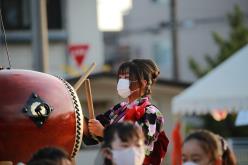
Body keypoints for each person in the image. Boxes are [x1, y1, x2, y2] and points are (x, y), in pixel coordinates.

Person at [83, 59, 169, 165]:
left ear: (143, 83)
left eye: (127, 78)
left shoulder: (151, 113)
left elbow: (143, 148)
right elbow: (92, 131)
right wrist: (74, 112)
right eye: (120, 78)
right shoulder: (119, 108)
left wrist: (103, 132)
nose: (122, 81)